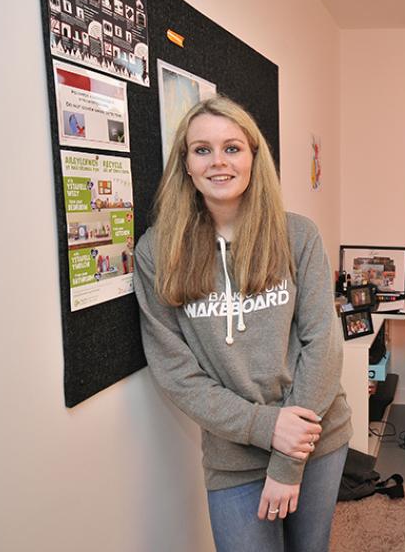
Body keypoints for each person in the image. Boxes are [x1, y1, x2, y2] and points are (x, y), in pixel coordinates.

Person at [133, 96, 352, 552]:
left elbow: (322, 347)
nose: (218, 162)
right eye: (202, 150)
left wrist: (287, 462)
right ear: (186, 165)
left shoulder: (298, 235)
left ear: (254, 156)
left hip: (316, 436)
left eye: (232, 148)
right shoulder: (158, 252)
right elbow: (176, 373)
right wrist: (265, 426)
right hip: (233, 450)